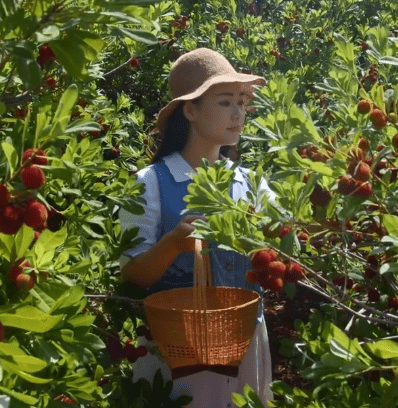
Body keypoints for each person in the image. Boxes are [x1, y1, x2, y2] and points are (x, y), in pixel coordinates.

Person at [118, 48, 274, 408]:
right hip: (177, 350)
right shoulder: (150, 182)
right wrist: (173, 243)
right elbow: (133, 274)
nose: (238, 114)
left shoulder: (251, 184)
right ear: (190, 110)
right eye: (224, 102)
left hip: (244, 341)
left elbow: (283, 251)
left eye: (242, 102)